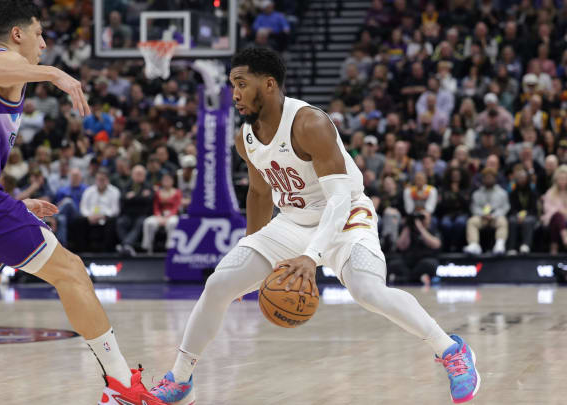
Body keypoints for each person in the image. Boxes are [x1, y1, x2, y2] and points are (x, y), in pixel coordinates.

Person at [150, 48, 479, 404]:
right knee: (219, 284)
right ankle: (181, 380)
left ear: (269, 84)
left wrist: (312, 256)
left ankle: (451, 350)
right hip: (293, 220)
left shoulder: (310, 124)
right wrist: (252, 249)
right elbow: (259, 194)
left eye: (242, 84)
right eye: (233, 85)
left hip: (346, 216)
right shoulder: (245, 137)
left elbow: (338, 201)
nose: (236, 94)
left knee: (368, 291)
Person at [0, 3, 167, 404]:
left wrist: (12, 205)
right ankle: (120, 385)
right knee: (72, 271)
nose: (44, 44)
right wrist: (53, 74)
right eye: (39, 34)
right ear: (17, 35)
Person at [463, 167, 510, 255]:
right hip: (482, 218)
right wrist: (482, 214)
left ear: (495, 179)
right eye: (486, 177)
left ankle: (499, 245)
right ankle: (474, 245)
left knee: (503, 221)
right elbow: (474, 207)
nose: (488, 179)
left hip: (496, 218)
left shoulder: (502, 193)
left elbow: (505, 207)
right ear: (483, 179)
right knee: (471, 221)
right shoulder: (477, 193)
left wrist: (494, 215)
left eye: (490, 177)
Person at [117, 165, 153, 256]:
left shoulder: (148, 185)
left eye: (140, 174)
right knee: (120, 222)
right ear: (132, 175)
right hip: (128, 214)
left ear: (144, 175)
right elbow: (123, 199)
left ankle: (125, 245)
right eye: (136, 174)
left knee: (140, 223)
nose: (138, 176)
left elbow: (149, 199)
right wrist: (140, 197)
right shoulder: (127, 185)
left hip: (142, 214)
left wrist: (133, 198)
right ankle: (128, 247)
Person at [142, 172, 182, 254]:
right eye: (164, 180)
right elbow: (156, 206)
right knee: (148, 222)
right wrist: (159, 216)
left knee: (172, 223)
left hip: (172, 215)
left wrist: (168, 217)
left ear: (172, 181)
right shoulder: (158, 192)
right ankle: (148, 247)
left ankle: (170, 248)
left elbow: (176, 207)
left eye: (168, 179)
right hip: (160, 215)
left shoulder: (177, 192)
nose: (166, 181)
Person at [507, 168, 538, 255]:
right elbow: (511, 208)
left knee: (528, 221)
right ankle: (511, 247)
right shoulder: (513, 192)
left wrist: (524, 215)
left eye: (523, 178)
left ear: (527, 179)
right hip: (516, 215)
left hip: (530, 214)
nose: (522, 180)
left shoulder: (532, 192)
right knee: (512, 221)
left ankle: (526, 245)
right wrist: (517, 215)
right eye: (519, 178)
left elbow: (534, 209)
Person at [541, 165, 567, 254]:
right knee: (557, 217)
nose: (562, 181)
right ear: (556, 179)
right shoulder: (550, 193)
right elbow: (547, 209)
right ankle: (565, 238)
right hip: (552, 218)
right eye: (560, 179)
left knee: (559, 218)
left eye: (564, 179)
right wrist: (561, 212)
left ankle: (554, 247)